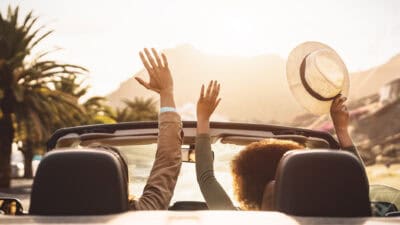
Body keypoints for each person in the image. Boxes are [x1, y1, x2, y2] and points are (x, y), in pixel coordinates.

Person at [195, 81, 364, 210]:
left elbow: (206, 179)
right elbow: (357, 186)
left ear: (246, 185)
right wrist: (342, 130)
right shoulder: (328, 218)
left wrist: (203, 119)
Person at [113, 48, 182, 210]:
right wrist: (167, 93)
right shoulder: (138, 216)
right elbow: (167, 159)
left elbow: (167, 160)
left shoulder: (48, 213)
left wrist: (166, 93)